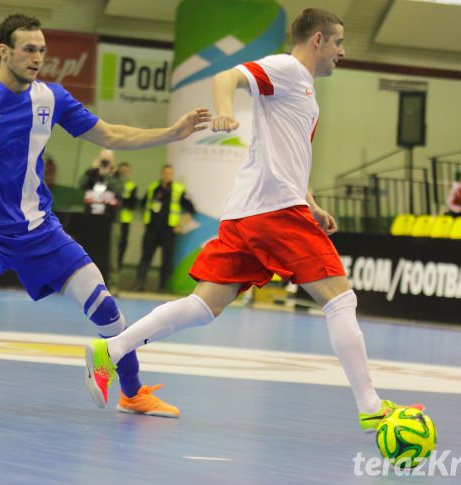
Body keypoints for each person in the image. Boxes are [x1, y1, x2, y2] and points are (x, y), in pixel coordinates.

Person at [84, 8, 423, 430]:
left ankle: (111, 350)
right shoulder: (286, 68)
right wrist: (225, 112)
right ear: (317, 40)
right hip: (274, 212)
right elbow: (226, 78)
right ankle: (371, 405)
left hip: (252, 210)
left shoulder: (306, 93)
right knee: (341, 298)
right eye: (338, 42)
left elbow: (288, 157)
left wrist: (311, 201)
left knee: (203, 306)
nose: (343, 51)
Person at [0, 14, 211, 416]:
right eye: (29, 49)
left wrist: (172, 133)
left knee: (104, 305)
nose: (38, 58)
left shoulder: (52, 98)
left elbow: (110, 135)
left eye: (42, 50)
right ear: (4, 52)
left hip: (40, 231)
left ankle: (132, 392)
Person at [133, 164, 195, 292]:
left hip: (168, 230)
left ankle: (162, 287)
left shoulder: (178, 189)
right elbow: (143, 204)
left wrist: (181, 225)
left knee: (166, 259)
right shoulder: (153, 187)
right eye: (165, 173)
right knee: (146, 257)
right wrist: (145, 219)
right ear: (161, 174)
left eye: (170, 173)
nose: (167, 176)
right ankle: (139, 283)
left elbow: (190, 209)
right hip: (152, 228)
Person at [116, 162, 137, 270]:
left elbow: (133, 204)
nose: (124, 174)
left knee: (122, 245)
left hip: (125, 220)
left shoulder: (132, 186)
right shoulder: (113, 184)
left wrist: (122, 200)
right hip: (114, 219)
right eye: (122, 171)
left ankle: (118, 266)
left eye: (126, 171)